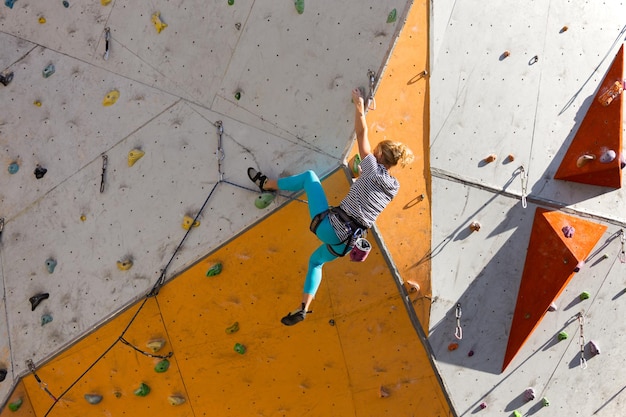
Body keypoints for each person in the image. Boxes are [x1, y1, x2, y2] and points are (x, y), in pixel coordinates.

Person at [247, 88, 414, 326]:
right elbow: (368, 194)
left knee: (309, 177)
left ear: (377, 154)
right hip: (348, 244)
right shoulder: (393, 186)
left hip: (332, 227)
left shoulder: (371, 167)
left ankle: (268, 185)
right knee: (316, 262)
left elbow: (361, 132)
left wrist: (359, 105)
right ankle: (303, 307)